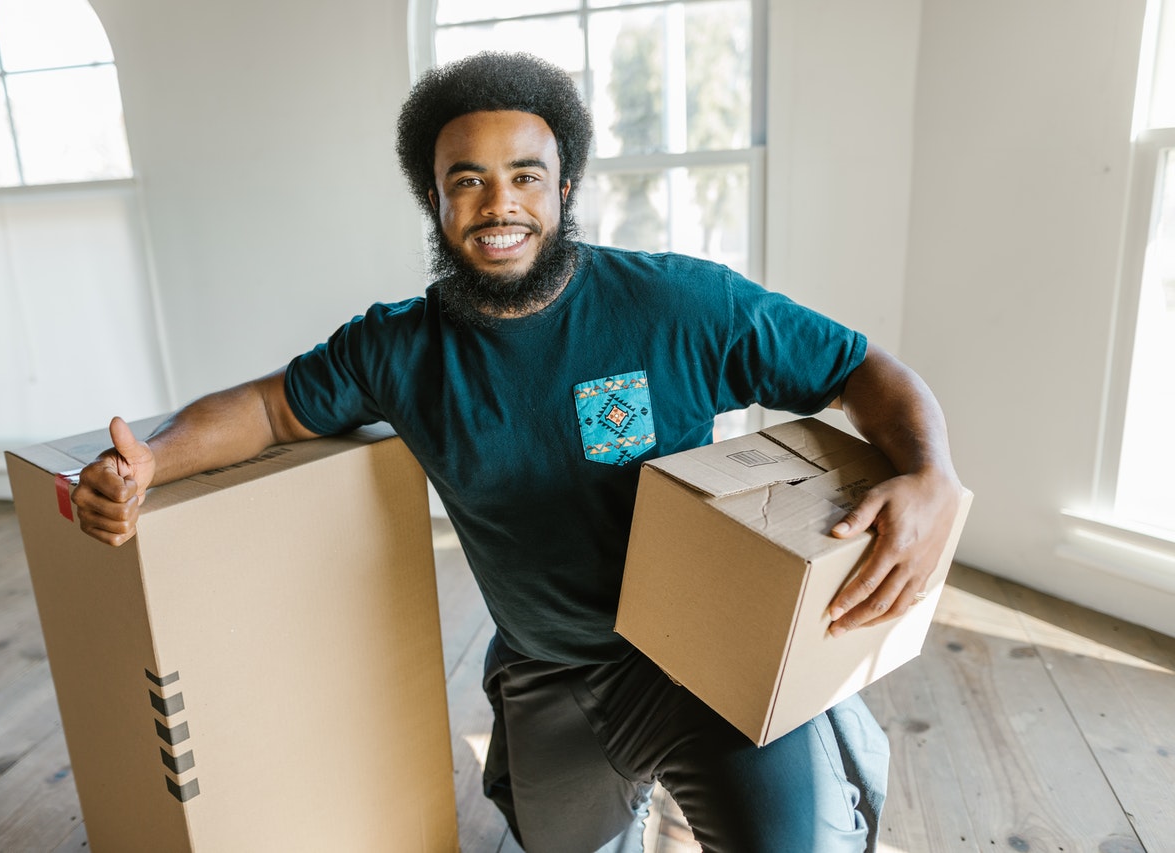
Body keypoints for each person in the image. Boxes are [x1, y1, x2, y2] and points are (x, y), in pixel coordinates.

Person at [73, 52, 964, 853]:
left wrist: (931, 473)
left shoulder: (678, 306)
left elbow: (857, 367)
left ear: (564, 188)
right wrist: (155, 459)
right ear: (434, 198)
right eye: (467, 181)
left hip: (703, 656)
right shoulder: (397, 349)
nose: (498, 205)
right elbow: (269, 407)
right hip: (548, 670)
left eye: (524, 176)